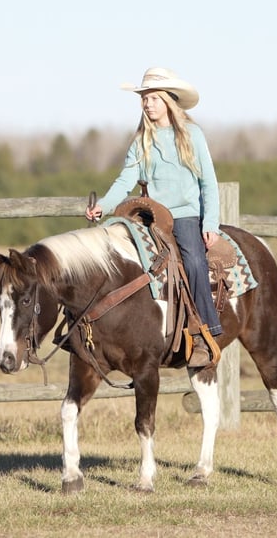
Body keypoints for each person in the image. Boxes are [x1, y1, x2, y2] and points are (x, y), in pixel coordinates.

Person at [85, 67, 222, 368]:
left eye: (154, 98)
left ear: (169, 101)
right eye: (144, 98)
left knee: (195, 263)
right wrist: (104, 206)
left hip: (184, 216)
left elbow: (208, 183)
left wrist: (210, 222)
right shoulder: (141, 141)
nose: (148, 103)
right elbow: (125, 181)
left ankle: (203, 334)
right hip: (149, 215)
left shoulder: (192, 135)